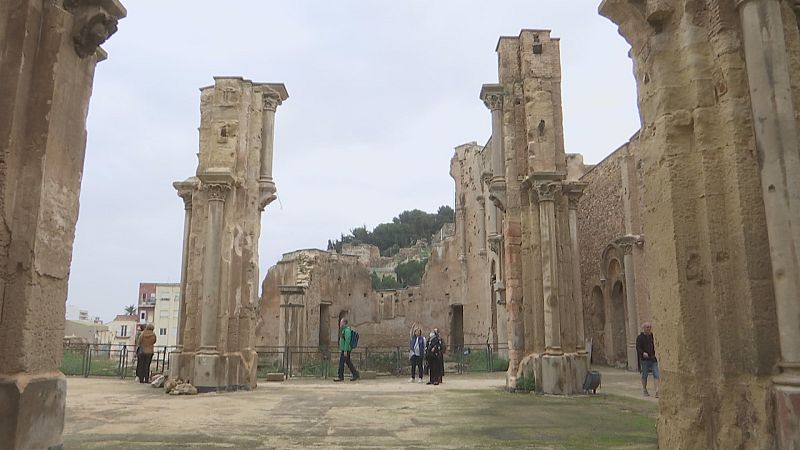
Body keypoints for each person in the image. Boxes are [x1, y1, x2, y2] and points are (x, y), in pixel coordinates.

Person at [636, 321, 659, 397]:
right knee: (644, 375)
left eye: (650, 327)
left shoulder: (652, 336)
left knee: (656, 374)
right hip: (645, 360)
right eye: (647, 327)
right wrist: (643, 353)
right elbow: (638, 348)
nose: (649, 329)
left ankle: (657, 391)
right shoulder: (640, 338)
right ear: (644, 328)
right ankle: (645, 389)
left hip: (653, 359)